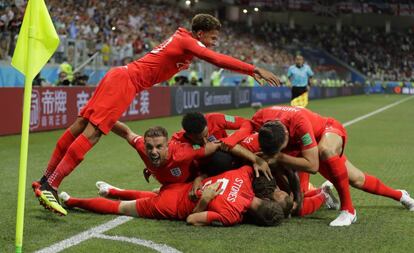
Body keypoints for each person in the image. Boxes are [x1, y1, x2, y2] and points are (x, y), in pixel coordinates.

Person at [32, 13, 280, 215]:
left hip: (122, 78)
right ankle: (51, 185)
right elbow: (214, 59)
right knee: (92, 133)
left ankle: (45, 180)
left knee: (80, 125)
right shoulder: (187, 41)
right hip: (125, 82)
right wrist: (253, 69)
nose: (215, 43)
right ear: (201, 34)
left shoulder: (185, 42)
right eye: (213, 38)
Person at [250, 106, 414, 226]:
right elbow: (241, 127)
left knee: (326, 150)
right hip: (303, 150)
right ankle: (399, 194)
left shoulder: (299, 123)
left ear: (286, 135)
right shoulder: (260, 119)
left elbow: (312, 165)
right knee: (356, 179)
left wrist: (278, 157)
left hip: (327, 131)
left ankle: (349, 211)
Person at [59, 166, 284, 227]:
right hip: (172, 206)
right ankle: (72, 201)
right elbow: (192, 219)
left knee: (146, 196)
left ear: (266, 200)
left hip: (180, 187)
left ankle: (112, 191)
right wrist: (205, 201)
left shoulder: (243, 177)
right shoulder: (231, 215)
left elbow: (254, 164)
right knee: (122, 208)